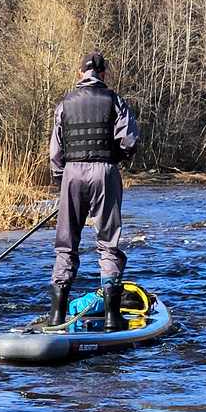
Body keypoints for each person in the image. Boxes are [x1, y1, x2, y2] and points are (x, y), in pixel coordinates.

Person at [48, 52, 139, 330]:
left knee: (66, 244)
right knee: (108, 243)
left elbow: (56, 152)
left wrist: (62, 182)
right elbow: (130, 142)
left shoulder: (64, 103)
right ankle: (112, 317)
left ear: (80, 73)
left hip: (72, 174)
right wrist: (112, 158)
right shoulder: (115, 100)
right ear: (103, 74)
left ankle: (57, 317)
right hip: (105, 172)